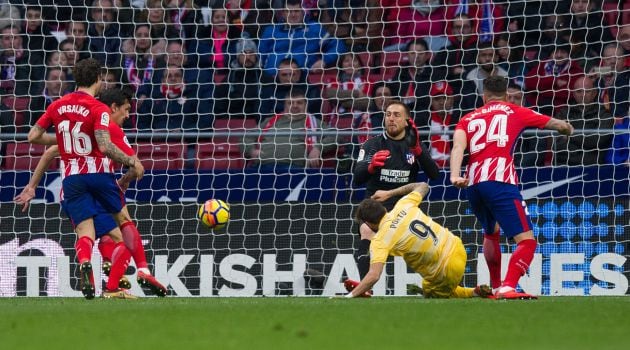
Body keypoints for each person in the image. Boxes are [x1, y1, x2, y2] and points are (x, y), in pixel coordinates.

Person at [17, 88, 168, 298]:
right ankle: (116, 283)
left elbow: (49, 152)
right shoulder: (110, 128)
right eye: (125, 110)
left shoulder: (80, 124)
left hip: (71, 190)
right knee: (123, 236)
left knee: (96, 235)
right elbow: (138, 167)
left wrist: (32, 186)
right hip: (99, 186)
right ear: (113, 108)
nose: (127, 115)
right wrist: (125, 179)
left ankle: (101, 267)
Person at [449, 76, 574, 299]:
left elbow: (458, 146)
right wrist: (566, 128)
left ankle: (496, 286)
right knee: (527, 241)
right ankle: (508, 286)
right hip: (499, 180)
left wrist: (455, 175)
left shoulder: (467, 118)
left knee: (491, 232)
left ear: (483, 96)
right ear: (506, 95)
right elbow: (555, 124)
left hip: (473, 184)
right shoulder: (514, 110)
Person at [344, 182, 492, 298]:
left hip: (445, 270)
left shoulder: (381, 240)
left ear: (368, 223)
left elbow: (374, 275)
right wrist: (390, 193)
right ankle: (476, 291)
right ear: (382, 207)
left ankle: (472, 292)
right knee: (432, 286)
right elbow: (423, 185)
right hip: (458, 248)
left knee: (431, 293)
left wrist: (350, 295)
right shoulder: (403, 204)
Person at [353, 101, 440, 278]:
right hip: (376, 206)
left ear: (407, 121)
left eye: (397, 115)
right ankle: (364, 288)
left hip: (404, 208)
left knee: (428, 245)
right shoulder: (372, 145)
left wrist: (417, 150)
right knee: (367, 231)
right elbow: (356, 179)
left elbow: (434, 174)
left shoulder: (414, 145)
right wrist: (370, 167)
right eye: (388, 114)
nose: (391, 118)